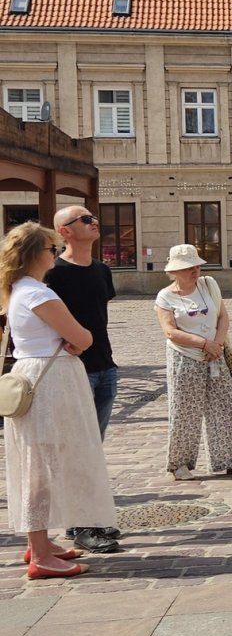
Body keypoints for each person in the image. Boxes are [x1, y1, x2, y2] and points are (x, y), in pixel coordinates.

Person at [1, 221, 117, 580]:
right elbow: (83, 336)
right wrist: (77, 340)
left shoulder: (20, 289)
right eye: (51, 250)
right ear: (38, 253)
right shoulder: (40, 294)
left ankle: (40, 542)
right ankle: (40, 554)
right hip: (49, 382)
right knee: (41, 468)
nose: (55, 255)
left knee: (39, 462)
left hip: (35, 374)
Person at [44, 204, 121, 554]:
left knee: (93, 448)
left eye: (93, 217)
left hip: (105, 367)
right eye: (85, 220)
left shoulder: (102, 270)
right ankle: (80, 526)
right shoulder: (53, 275)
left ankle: (89, 515)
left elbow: (100, 316)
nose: (94, 222)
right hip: (73, 370)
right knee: (76, 450)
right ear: (65, 231)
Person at [155, 244, 232, 481]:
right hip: (185, 358)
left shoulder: (209, 285)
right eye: (188, 268)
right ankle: (180, 464)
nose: (194, 271)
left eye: (196, 266)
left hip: (215, 355)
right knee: (185, 412)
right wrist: (204, 344)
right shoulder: (166, 296)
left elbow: (223, 316)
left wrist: (218, 345)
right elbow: (170, 331)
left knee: (227, 406)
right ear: (174, 271)